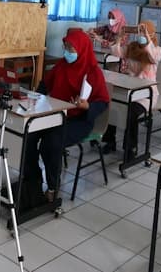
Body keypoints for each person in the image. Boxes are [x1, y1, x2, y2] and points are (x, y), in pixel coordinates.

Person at [24, 29, 110, 203]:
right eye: (66, 47)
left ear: (82, 49)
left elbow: (103, 102)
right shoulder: (62, 65)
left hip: (79, 120)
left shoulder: (93, 72)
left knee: (51, 142)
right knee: (28, 134)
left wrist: (87, 106)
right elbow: (45, 84)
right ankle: (33, 180)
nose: (67, 52)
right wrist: (35, 100)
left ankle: (53, 188)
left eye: (71, 49)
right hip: (55, 114)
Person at [101, 20, 161, 154]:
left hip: (146, 94)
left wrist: (147, 40)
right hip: (129, 89)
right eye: (139, 31)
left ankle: (130, 148)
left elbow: (152, 57)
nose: (140, 34)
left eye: (144, 31)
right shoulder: (132, 47)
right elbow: (116, 53)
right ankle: (109, 140)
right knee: (112, 106)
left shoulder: (156, 50)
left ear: (151, 34)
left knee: (131, 112)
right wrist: (119, 37)